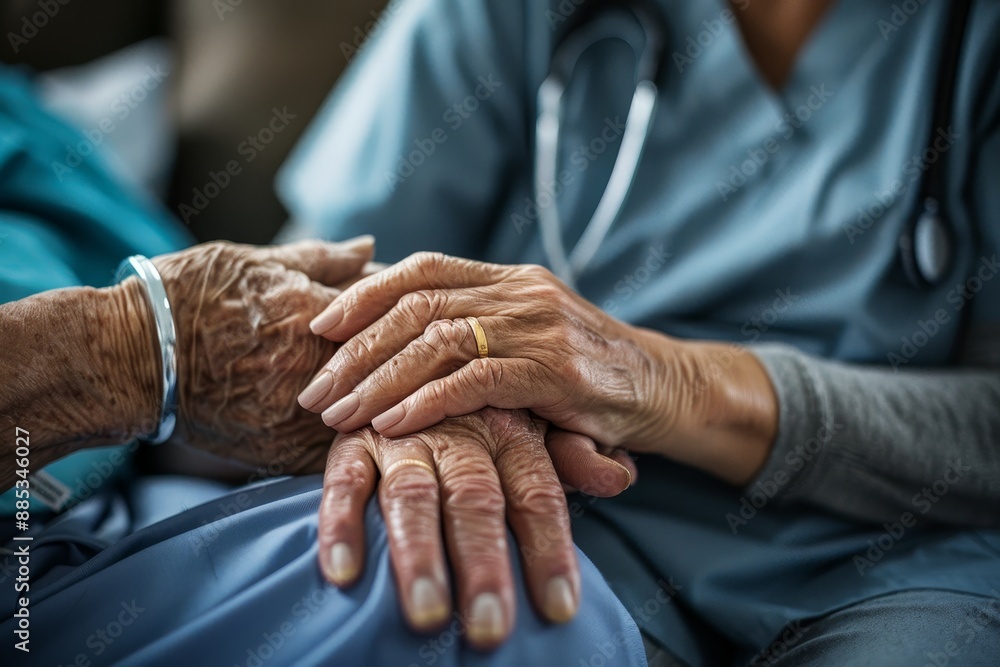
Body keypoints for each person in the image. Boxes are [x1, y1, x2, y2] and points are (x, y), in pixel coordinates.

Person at [277, 0, 1000, 664]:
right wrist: (424, 394)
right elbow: (310, 291)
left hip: (899, 554)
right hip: (578, 515)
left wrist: (665, 380)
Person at [0, 64, 644, 665]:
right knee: (482, 610)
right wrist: (116, 351)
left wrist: (407, 388)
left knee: (471, 567)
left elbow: (191, 395)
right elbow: (161, 341)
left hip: (121, 503)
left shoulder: (28, 127)